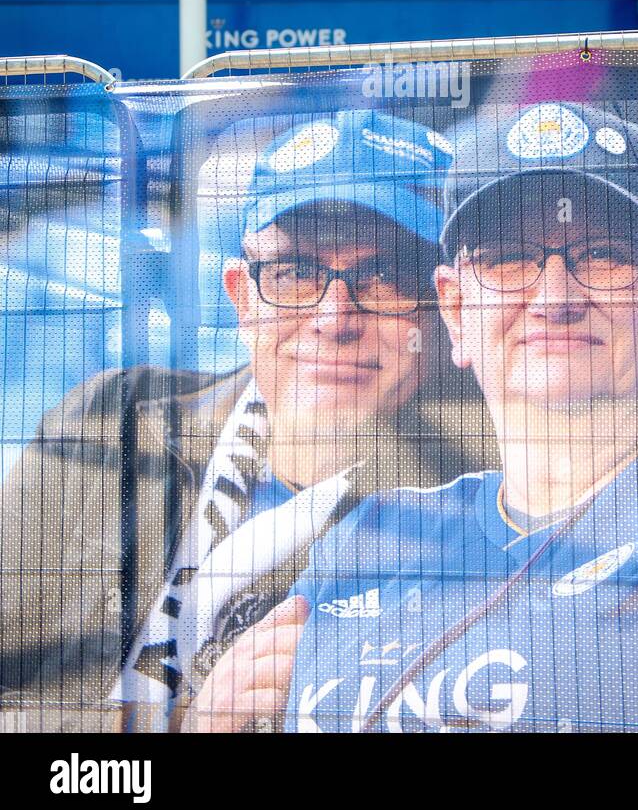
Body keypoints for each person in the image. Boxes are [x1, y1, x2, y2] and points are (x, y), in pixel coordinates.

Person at [188, 101, 638, 734]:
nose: (554, 298)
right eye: (508, 259)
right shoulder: (365, 541)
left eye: (605, 255)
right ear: (456, 311)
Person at [0, 109, 452, 732]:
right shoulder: (115, 420)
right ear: (241, 297)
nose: (334, 317)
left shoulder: (475, 515)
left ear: (448, 305)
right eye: (295, 273)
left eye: (385, 276)